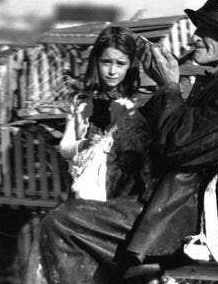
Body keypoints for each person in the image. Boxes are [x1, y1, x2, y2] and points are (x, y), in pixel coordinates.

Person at [35, 0, 218, 284]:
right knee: (78, 222)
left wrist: (169, 87)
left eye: (204, 30)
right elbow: (179, 132)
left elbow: (178, 146)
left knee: (63, 224)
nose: (194, 37)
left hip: (199, 214)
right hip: (190, 204)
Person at [59, 25, 153, 201]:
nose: (112, 71)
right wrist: (85, 144)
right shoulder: (81, 102)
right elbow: (65, 147)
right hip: (85, 186)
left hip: (122, 189)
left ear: (130, 65)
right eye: (106, 62)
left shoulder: (134, 105)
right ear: (96, 61)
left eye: (120, 64)